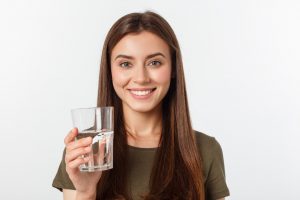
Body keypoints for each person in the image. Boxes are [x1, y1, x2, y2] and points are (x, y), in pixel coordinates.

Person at [52, 11, 230, 200]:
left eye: (154, 62)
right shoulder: (86, 152)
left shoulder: (204, 149)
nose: (141, 78)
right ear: (109, 70)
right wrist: (86, 191)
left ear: (173, 69)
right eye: (126, 64)